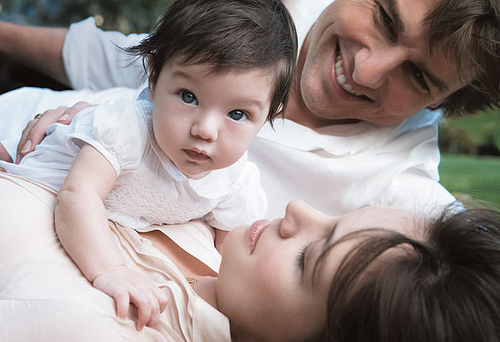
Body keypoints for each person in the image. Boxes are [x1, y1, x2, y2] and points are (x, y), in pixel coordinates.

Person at [0, 0, 498, 222]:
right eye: (385, 18)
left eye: (417, 76)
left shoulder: (402, 191)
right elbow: (121, 56)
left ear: (443, 102)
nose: (367, 71)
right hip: (25, 135)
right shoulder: (272, 12)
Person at [0, 0, 297, 328]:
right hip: (28, 175)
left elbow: (228, 253)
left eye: (237, 114)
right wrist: (112, 271)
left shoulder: (236, 180)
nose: (205, 130)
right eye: (188, 96)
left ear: (270, 114)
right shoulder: (127, 128)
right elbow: (78, 196)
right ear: (154, 78)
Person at [2, 171, 500, 341]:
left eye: (308, 258)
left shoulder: (97, 326)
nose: (296, 211)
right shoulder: (209, 233)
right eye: (336, 215)